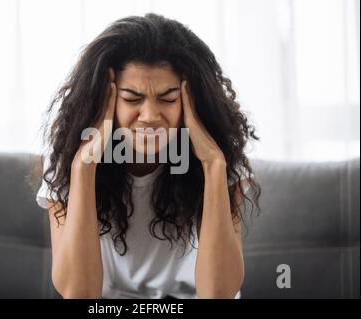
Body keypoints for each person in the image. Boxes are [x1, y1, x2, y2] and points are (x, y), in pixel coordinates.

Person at [36, 13, 261, 299]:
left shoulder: (222, 159)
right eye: (131, 99)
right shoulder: (69, 161)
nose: (150, 116)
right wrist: (84, 168)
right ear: (103, 100)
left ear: (193, 101)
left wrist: (213, 165)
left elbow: (219, 293)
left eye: (168, 99)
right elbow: (79, 294)